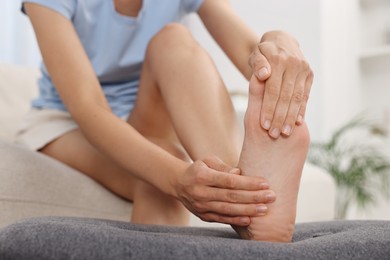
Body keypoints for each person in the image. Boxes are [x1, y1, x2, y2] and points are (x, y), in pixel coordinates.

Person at [18, 0, 312, 242]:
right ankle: (245, 202)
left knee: (174, 39)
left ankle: (247, 192)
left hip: (145, 108)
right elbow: (88, 107)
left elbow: (249, 51)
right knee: (163, 172)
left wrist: (278, 44)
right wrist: (176, 179)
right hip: (68, 121)